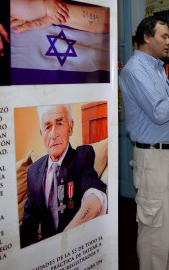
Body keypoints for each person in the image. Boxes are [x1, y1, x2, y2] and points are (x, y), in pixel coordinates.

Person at [119, 16, 169, 270]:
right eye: (164, 36)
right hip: (152, 158)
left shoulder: (157, 69)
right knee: (154, 226)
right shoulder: (134, 70)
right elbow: (162, 112)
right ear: (146, 38)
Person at [19, 104, 107, 248]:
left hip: (75, 247)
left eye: (59, 123)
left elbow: (95, 196)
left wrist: (66, 238)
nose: (53, 134)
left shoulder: (82, 156)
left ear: (70, 127)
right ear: (41, 133)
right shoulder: (33, 171)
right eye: (47, 127)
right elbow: (28, 226)